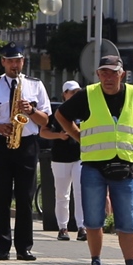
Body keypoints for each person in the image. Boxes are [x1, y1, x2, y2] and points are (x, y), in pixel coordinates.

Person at [55, 41, 133, 265]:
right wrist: (79, 136)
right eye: (103, 73)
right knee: (93, 219)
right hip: (93, 165)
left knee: (127, 220)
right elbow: (61, 115)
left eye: (113, 73)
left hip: (124, 164)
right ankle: (95, 263)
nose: (108, 78)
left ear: (122, 74)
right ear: (97, 74)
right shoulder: (88, 95)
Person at [0, 43, 52, 261]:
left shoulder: (35, 85)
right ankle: (2, 245)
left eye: (18, 61)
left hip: (26, 143)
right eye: (10, 61)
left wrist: (31, 110)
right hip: (0, 142)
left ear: (23, 62)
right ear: (3, 62)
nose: (14, 65)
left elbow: (45, 119)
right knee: (0, 196)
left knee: (25, 197)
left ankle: (24, 246)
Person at [42, 80, 84, 240]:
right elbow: (43, 132)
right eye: (71, 92)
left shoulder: (84, 111)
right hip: (60, 157)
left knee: (80, 193)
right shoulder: (57, 112)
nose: (75, 95)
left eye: (77, 92)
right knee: (62, 194)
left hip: (80, 157)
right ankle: (63, 227)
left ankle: (82, 227)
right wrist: (58, 135)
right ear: (64, 94)